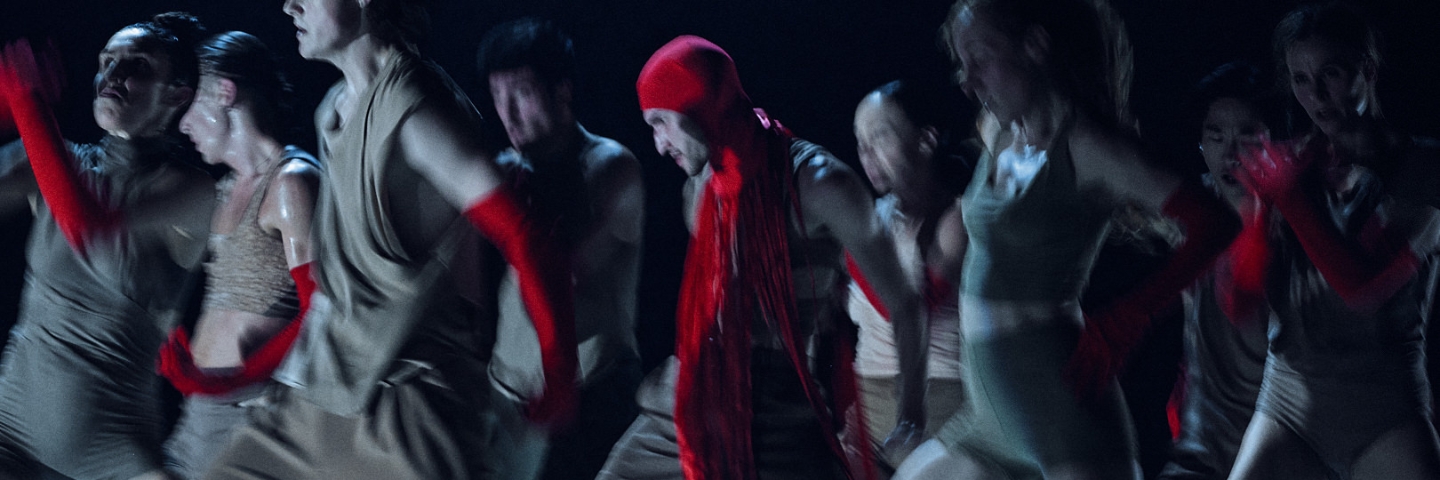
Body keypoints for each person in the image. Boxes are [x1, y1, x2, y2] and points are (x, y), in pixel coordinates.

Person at [204, 0, 579, 478]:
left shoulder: (415, 108)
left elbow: (525, 234)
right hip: (320, 397)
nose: (290, 6)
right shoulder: (334, 109)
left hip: (408, 404)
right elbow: (336, 291)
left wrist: (558, 370)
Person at [892, 0, 1240, 479]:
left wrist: (1130, 317)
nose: (967, 82)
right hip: (990, 422)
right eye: (961, 64)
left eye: (981, 59)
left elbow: (1215, 224)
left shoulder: (1087, 147)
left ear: (1034, 46)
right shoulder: (997, 130)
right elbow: (986, 226)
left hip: (1063, 415)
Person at [596, 35, 923, 480]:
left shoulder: (820, 184)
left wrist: (911, 415)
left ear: (698, 105)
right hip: (688, 399)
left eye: (661, 123)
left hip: (773, 412)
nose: (658, 144)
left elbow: (904, 302)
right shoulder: (698, 188)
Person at [0, 12, 216, 480]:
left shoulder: (192, 191)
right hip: (8, 435)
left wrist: (27, 104)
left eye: (137, 65)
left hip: (112, 459)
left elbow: (91, 228)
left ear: (176, 94)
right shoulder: (56, 158)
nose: (112, 75)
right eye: (106, 62)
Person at [1228, 4, 1440, 479]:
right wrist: (1259, 220)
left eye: (1331, 74)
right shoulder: (1288, 167)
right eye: (1300, 79)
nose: (1316, 95)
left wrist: (1290, 199)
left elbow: (1362, 288)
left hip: (1384, 413)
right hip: (1288, 407)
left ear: (1368, 69)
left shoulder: (1423, 170)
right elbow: (1241, 303)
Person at [475, 17, 645, 480]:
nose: (509, 113)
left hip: (592, 391)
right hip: (507, 392)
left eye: (522, 94)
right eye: (497, 96)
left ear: (562, 91)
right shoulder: (505, 169)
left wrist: (514, 206)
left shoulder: (611, 167)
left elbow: (564, 273)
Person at [150, 31, 321, 479]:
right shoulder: (224, 189)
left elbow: (322, 311)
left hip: (249, 409)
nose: (182, 126)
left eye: (189, 106)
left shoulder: (290, 182)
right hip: (202, 408)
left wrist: (234, 379)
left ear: (225, 92)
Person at [1156, 61, 1275, 480]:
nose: (1230, 152)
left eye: (1247, 135)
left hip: (1280, 435)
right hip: (1201, 437)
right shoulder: (1189, 213)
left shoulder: (1298, 225)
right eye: (1216, 135)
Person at [848, 80, 971, 472]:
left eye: (880, 137)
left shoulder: (956, 218)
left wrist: (851, 248)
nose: (867, 154)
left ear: (926, 140)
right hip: (866, 396)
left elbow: (908, 307)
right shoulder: (874, 216)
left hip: (938, 399)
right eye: (860, 141)